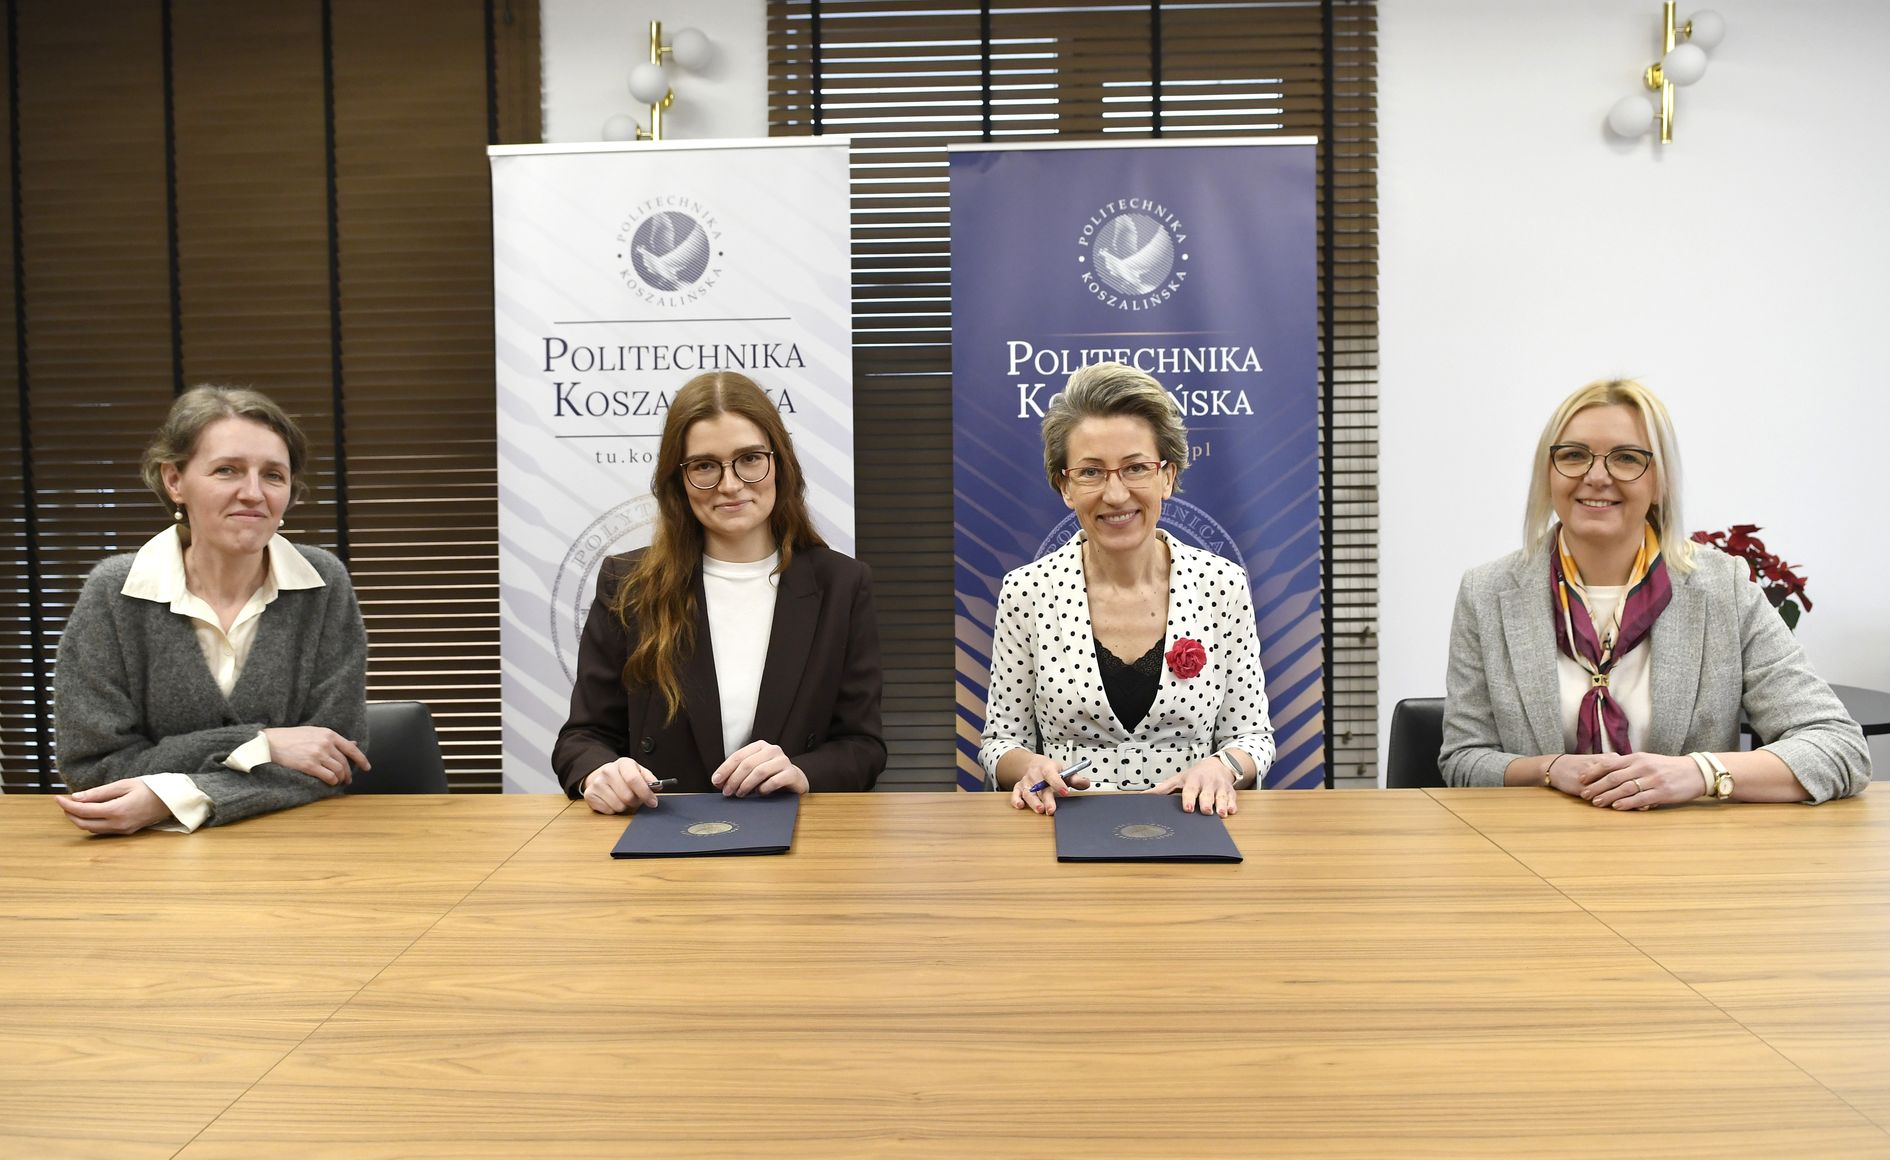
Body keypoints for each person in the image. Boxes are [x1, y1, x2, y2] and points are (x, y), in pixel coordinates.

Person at [1440, 378, 1869, 805]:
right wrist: (1548, 769)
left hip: (1682, 844)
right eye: (1573, 455)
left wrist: (1699, 772)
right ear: (1548, 473)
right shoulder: (1487, 593)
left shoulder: (1725, 589)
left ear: (1660, 482)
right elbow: (1463, 759)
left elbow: (1838, 746)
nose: (1596, 476)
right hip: (1535, 841)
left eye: (1626, 458)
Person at [553, 371, 885, 812]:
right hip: (661, 835)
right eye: (705, 466)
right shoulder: (628, 583)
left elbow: (863, 746)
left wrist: (803, 771)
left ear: (780, 463)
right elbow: (582, 738)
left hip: (797, 836)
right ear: (678, 480)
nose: (730, 484)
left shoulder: (842, 584)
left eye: (749, 458)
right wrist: (599, 772)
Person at [53, 385, 370, 834]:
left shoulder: (324, 584)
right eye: (227, 470)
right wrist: (261, 743)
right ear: (174, 481)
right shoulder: (114, 593)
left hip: (298, 848)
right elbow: (96, 769)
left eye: (273, 475)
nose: (253, 493)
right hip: (146, 860)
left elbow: (334, 760)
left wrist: (176, 796)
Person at [978, 362, 1275, 818]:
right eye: (1091, 472)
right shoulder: (1027, 592)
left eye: (1136, 468)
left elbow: (1252, 735)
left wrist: (1223, 767)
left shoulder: (1221, 585)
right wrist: (1029, 766)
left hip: (1195, 827)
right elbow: (1001, 741)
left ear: (1167, 477)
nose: (1115, 494)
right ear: (1065, 486)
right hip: (1064, 829)